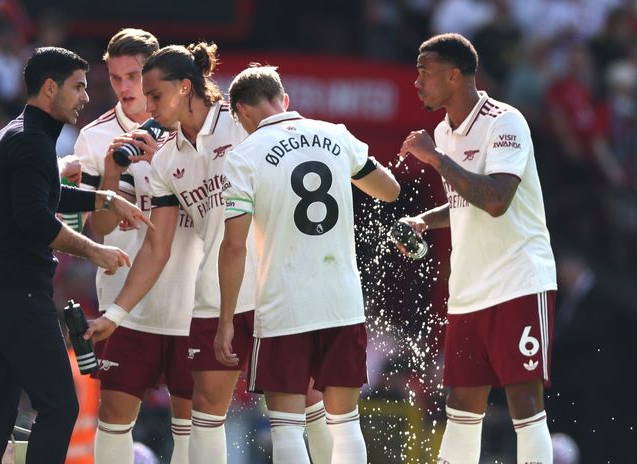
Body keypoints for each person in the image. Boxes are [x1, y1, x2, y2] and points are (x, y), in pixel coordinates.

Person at [86, 42, 332, 464]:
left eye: (155, 95)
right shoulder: (165, 161)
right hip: (216, 295)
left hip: (276, 284)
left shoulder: (242, 122)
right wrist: (115, 314)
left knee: (305, 404)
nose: (148, 105)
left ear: (185, 88)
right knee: (205, 413)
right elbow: (156, 247)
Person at [0, 46, 150, 464]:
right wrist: (95, 250)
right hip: (17, 299)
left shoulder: (17, 133)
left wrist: (102, 198)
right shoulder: (32, 142)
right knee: (61, 406)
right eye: (78, 87)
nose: (86, 96)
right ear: (50, 88)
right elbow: (34, 219)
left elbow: (40, 196)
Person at [217, 64, 400, 464]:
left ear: (242, 113)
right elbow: (389, 191)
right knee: (346, 421)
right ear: (284, 100)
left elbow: (234, 247)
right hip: (341, 299)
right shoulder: (336, 134)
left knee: (286, 427)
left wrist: (227, 318)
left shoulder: (243, 156)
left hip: (284, 303)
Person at [397, 33, 557, 464]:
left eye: (424, 72)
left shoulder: (506, 121)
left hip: (518, 280)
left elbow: (495, 200)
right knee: (461, 406)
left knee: (526, 405)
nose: (416, 82)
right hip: (469, 290)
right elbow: (463, 202)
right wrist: (422, 220)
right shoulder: (443, 132)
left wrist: (434, 159)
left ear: (454, 76)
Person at [73, 28, 204, 464]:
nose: (126, 88)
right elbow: (101, 228)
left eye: (134, 76)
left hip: (192, 299)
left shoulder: (192, 130)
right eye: (115, 78)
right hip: (126, 300)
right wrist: (111, 174)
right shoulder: (93, 137)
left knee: (193, 423)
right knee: (113, 420)